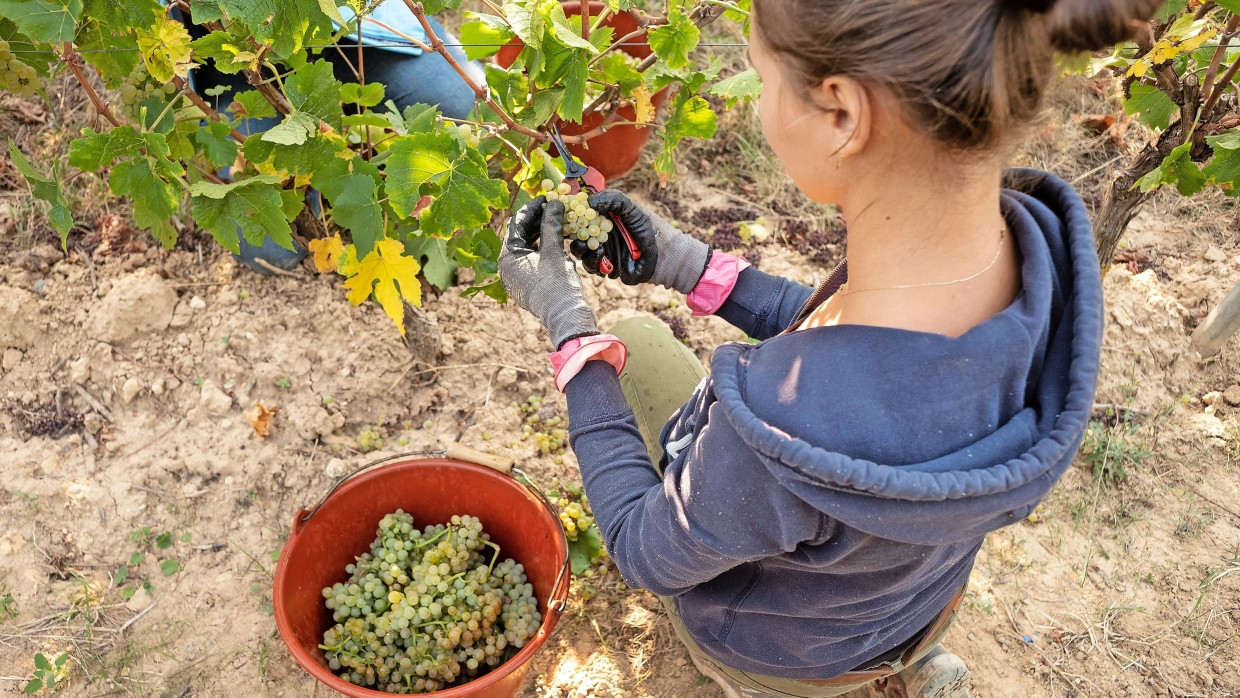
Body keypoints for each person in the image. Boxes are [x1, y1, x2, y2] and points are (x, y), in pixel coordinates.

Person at [497, 0, 1159, 696]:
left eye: (760, 78)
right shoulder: (1035, 262)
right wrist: (691, 266)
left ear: (841, 112)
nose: (757, 109)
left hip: (779, 654)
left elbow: (641, 549)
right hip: (910, 604)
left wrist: (570, 328)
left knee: (630, 340)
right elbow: (848, 343)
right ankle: (902, 662)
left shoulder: (774, 441)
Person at [175, 1, 484, 272]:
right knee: (268, 251)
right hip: (235, 58)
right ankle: (332, 116)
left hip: (352, 26)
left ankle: (345, 106)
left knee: (468, 109)